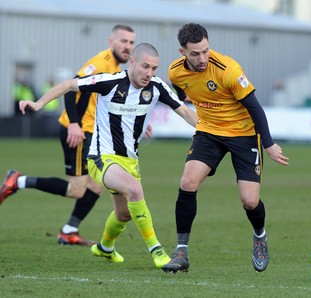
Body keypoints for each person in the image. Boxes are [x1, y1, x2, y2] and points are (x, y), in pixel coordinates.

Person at [19, 43, 199, 268]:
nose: (149, 73)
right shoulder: (109, 82)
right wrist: (38, 103)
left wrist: (211, 130)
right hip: (101, 158)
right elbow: (68, 85)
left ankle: (104, 247)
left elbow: (183, 111)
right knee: (135, 190)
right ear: (132, 62)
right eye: (145, 66)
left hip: (130, 161)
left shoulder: (156, 86)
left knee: (124, 214)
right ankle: (158, 252)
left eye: (154, 68)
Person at [161, 23, 289, 273]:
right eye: (195, 53)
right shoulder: (176, 72)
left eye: (205, 51)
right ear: (182, 52)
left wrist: (270, 145)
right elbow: (179, 92)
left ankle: (260, 236)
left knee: (249, 201)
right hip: (209, 132)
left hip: (244, 135)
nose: (202, 58)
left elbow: (255, 107)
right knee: (187, 182)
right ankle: (181, 252)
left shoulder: (228, 69)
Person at [0, 25, 136, 246]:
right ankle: (18, 180)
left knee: (96, 186)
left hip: (89, 131)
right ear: (111, 41)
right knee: (76, 189)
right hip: (79, 131)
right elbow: (71, 88)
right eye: (123, 41)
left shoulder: (114, 66)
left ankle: (69, 230)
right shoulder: (100, 63)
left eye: (131, 42)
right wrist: (75, 124)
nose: (128, 46)